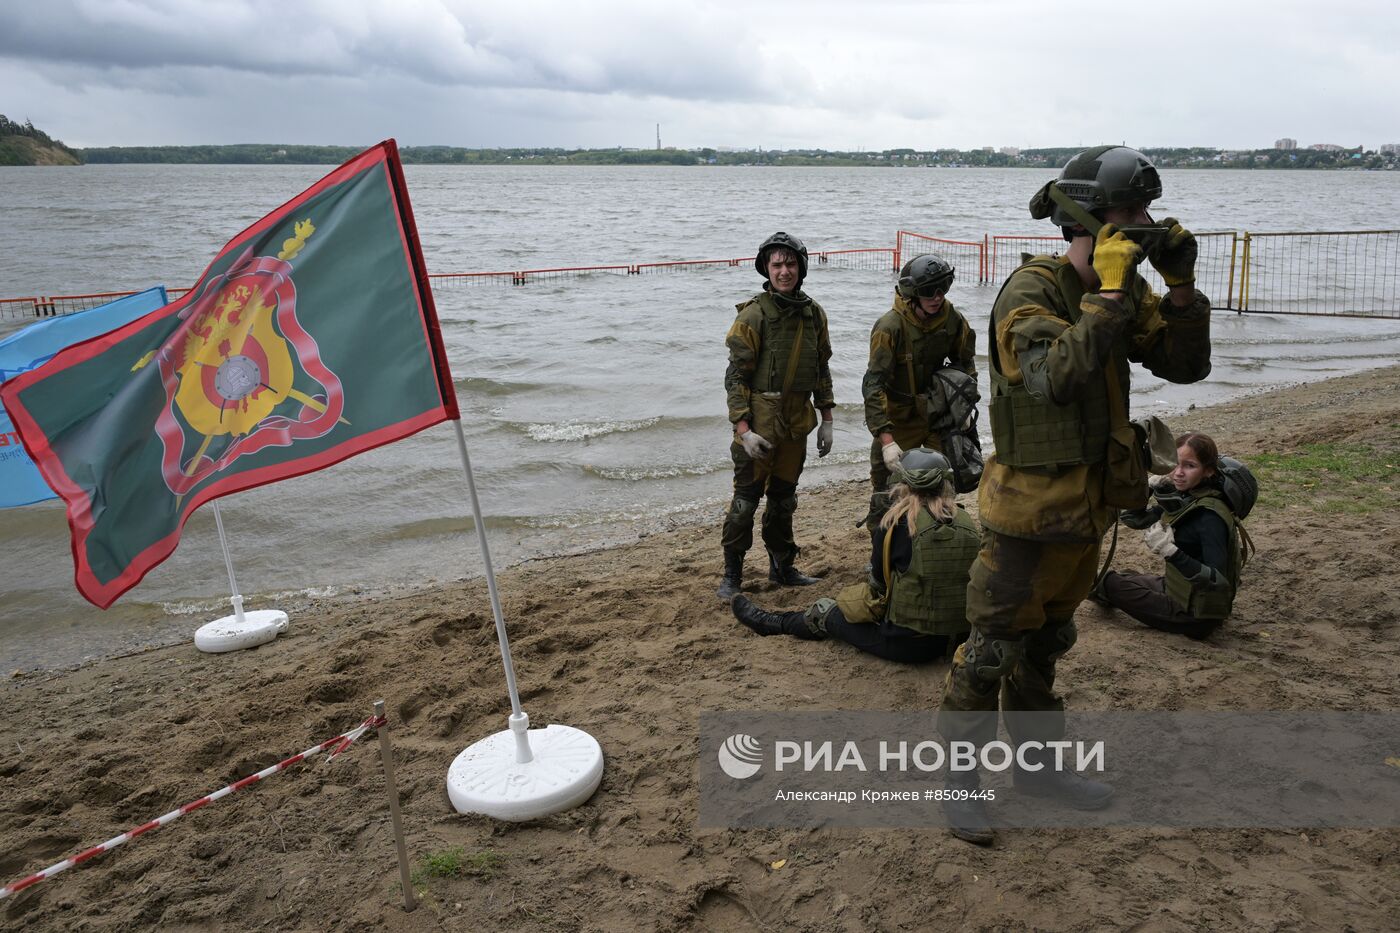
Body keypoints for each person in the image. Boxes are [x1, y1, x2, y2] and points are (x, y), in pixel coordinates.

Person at [936, 145, 1214, 846]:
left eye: (1148, 210)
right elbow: (1055, 378)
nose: (1146, 224)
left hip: (1087, 512)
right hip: (1027, 519)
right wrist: (1110, 296)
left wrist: (1181, 289)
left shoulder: (1128, 290)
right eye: (1132, 211)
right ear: (1089, 219)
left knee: (1047, 646)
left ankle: (1037, 771)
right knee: (991, 652)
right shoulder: (1029, 293)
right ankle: (959, 784)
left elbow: (1186, 364)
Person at [729, 448, 980, 661]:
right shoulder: (967, 521)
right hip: (961, 639)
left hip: (910, 645)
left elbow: (878, 588)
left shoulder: (895, 525)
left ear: (903, 484)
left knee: (824, 612)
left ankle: (772, 623)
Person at [717, 232, 835, 601]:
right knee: (745, 503)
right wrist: (743, 430)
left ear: (801, 267)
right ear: (766, 269)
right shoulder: (753, 315)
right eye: (777, 264)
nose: (785, 271)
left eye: (791, 264)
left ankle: (783, 567)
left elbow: (821, 369)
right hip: (760, 423)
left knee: (784, 501)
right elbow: (736, 377)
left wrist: (827, 419)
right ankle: (732, 575)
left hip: (796, 422)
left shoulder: (814, 314)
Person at [861, 254, 977, 534]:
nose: (937, 297)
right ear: (912, 293)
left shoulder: (953, 320)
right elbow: (873, 385)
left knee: (942, 484)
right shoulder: (890, 327)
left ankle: (938, 540)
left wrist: (963, 410)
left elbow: (966, 365)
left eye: (943, 288)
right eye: (928, 291)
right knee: (886, 491)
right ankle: (882, 548)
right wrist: (886, 440)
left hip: (938, 415)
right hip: (899, 417)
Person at [1095, 432, 1242, 639]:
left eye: (1190, 466)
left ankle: (1108, 595)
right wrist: (1148, 489)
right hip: (1178, 589)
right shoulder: (1188, 499)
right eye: (1175, 463)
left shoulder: (1209, 517)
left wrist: (1170, 552)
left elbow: (1218, 582)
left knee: (1106, 582)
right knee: (1122, 576)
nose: (1178, 473)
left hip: (1194, 616)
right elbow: (1133, 519)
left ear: (1208, 471)